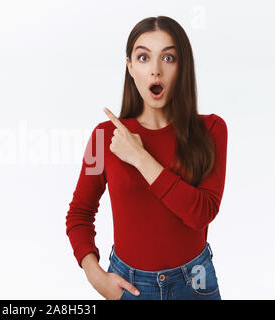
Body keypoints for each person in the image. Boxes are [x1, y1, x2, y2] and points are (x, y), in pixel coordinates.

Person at [65, 16, 227, 300]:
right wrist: (96, 277)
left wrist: (140, 158)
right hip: (130, 286)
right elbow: (79, 213)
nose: (155, 70)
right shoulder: (103, 137)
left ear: (182, 66)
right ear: (130, 67)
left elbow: (201, 213)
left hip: (195, 284)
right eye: (143, 57)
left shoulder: (212, 129)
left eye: (168, 58)